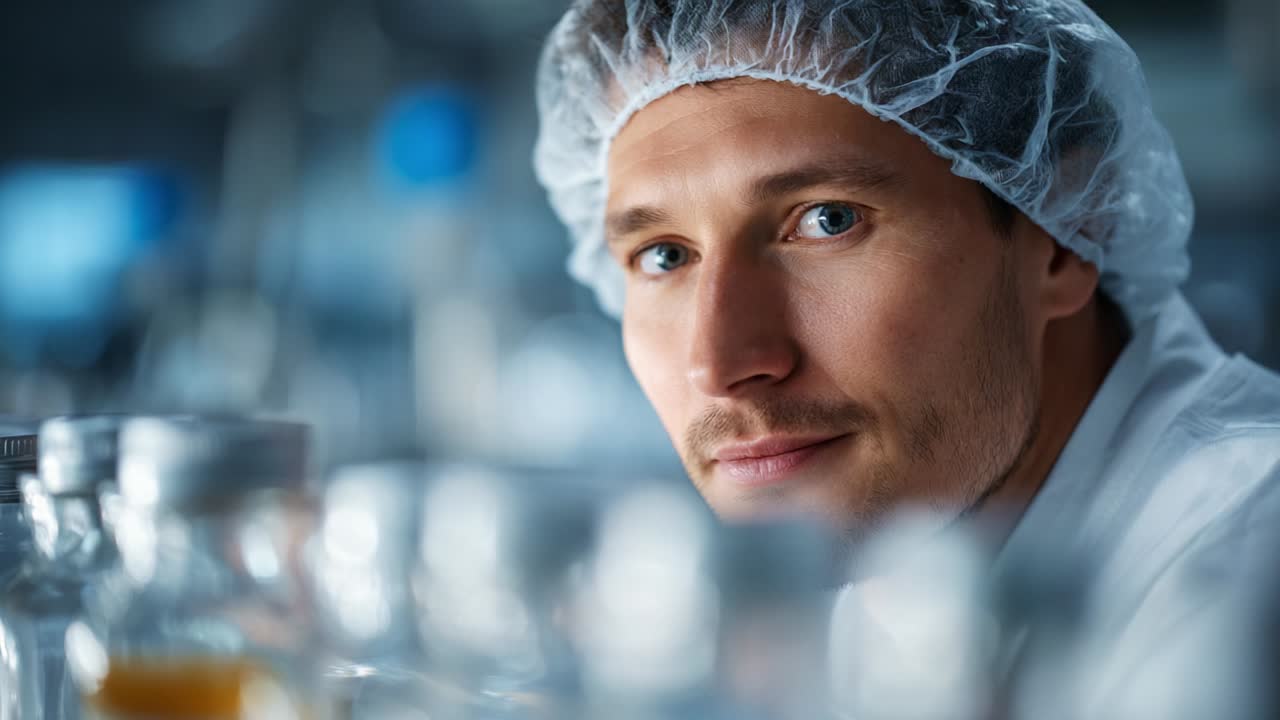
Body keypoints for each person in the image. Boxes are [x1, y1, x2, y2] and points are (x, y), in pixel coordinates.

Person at [532, 0, 1280, 693]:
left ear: (1061, 236)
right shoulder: (902, 538)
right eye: (663, 256)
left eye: (827, 221)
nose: (720, 365)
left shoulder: (1240, 584)